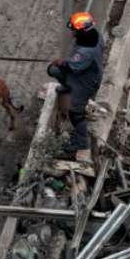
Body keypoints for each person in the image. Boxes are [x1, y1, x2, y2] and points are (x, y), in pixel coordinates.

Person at [47, 11, 104, 159]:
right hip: (84, 74)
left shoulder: (86, 51)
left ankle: (81, 142)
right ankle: (68, 88)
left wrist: (61, 62)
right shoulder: (95, 36)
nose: (72, 32)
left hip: (86, 82)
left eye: (74, 30)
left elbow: (73, 67)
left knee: (75, 113)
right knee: (53, 70)